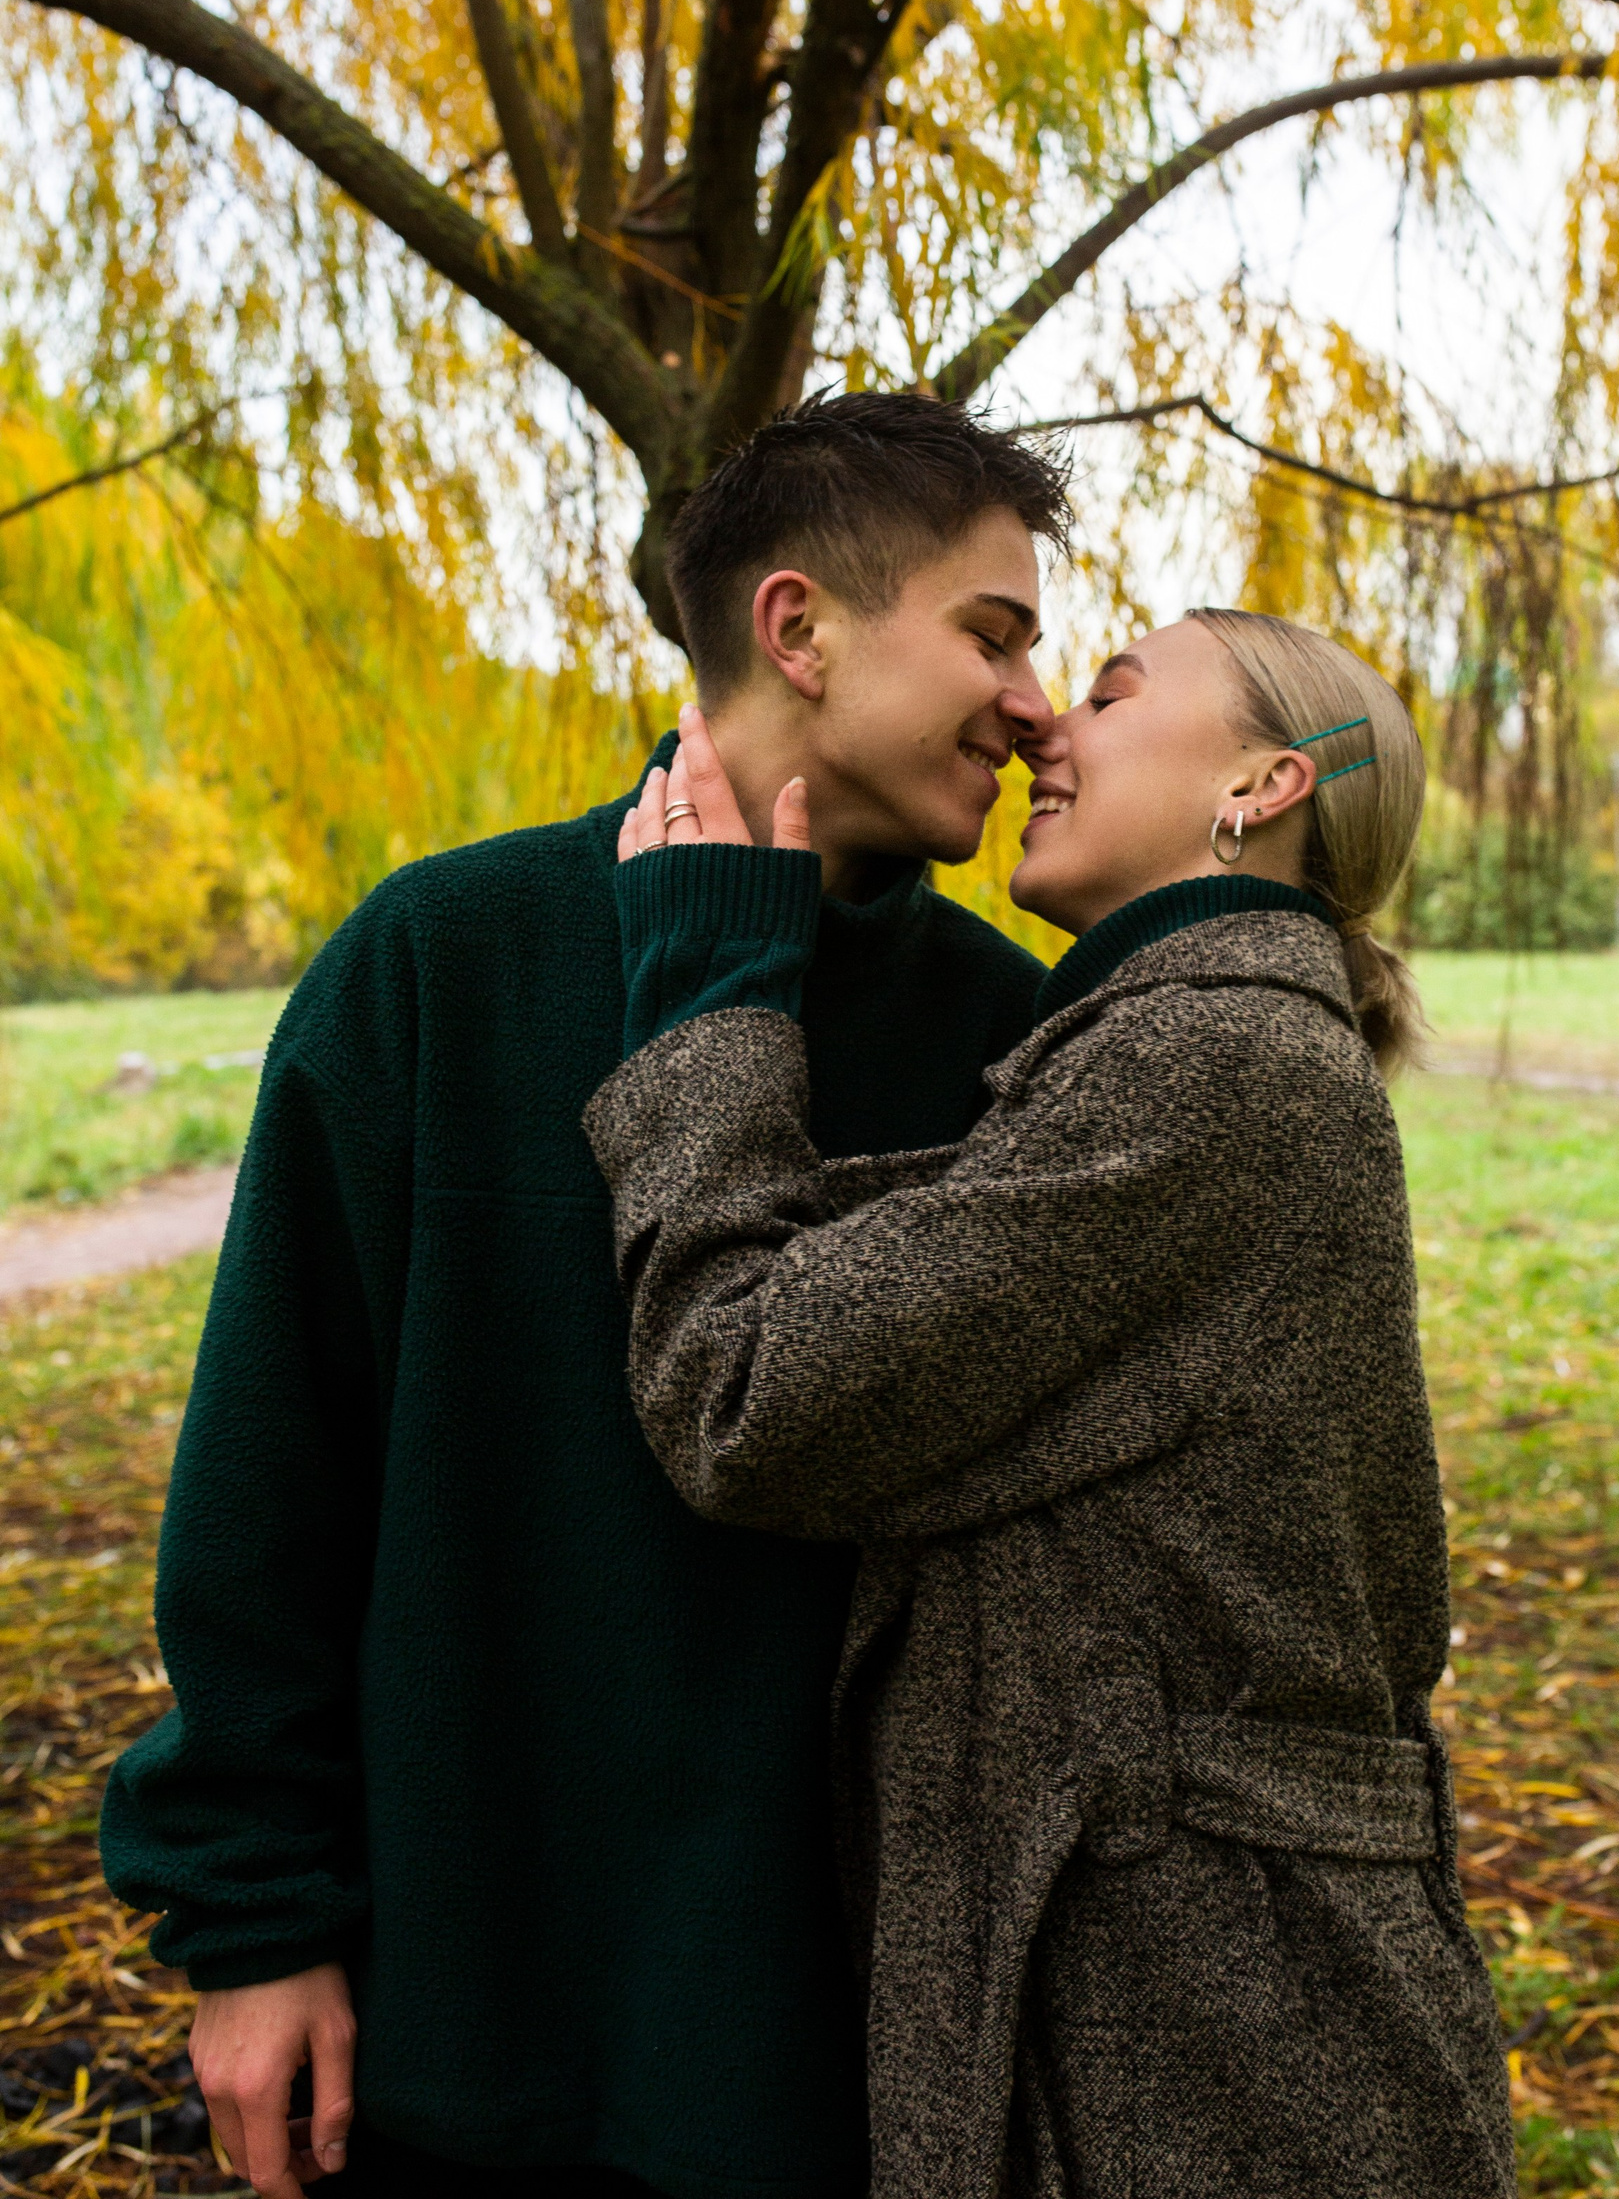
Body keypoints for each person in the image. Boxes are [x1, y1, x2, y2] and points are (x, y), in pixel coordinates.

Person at [100, 393, 1072, 2199]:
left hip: (853, 2066)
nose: (1035, 702)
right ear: (799, 628)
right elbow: (267, 1478)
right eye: (994, 634)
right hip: (455, 2030)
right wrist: (252, 1921)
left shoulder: (1012, 1038)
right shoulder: (440, 961)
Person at [585, 611, 1519, 2199]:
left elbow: (749, 1393)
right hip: (1211, 2014)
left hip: (1212, 2049)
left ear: (1263, 786)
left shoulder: (1217, 1067)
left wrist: (710, 1001)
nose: (1042, 727)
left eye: (1108, 692)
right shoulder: (1186, 1050)